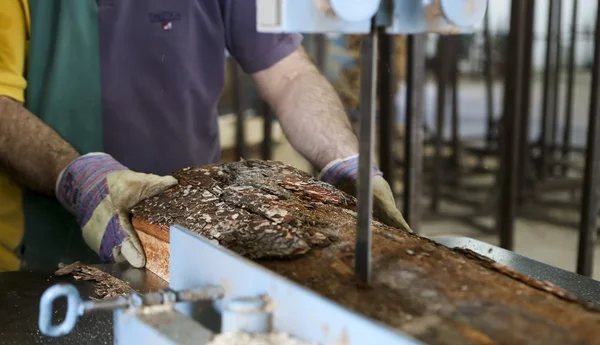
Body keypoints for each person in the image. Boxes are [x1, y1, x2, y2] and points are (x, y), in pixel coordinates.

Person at [0, 0, 410, 273]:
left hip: (193, 239)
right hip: (39, 256)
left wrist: (345, 159)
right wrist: (75, 176)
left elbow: (289, 75)